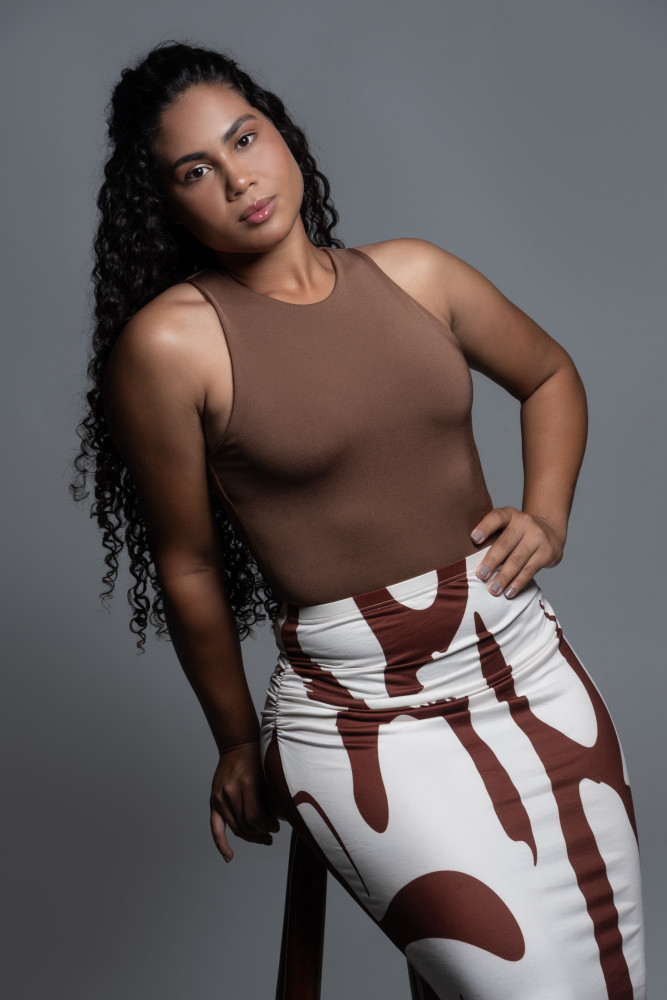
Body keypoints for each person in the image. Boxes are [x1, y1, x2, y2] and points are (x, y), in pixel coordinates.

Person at [71, 40, 646, 1000]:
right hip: (359, 724)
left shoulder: (416, 273)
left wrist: (546, 516)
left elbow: (549, 374)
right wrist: (233, 742)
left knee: (608, 979)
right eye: (195, 171)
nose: (238, 179)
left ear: (281, 134)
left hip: (529, 674)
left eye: (244, 138)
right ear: (165, 205)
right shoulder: (171, 345)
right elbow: (189, 565)